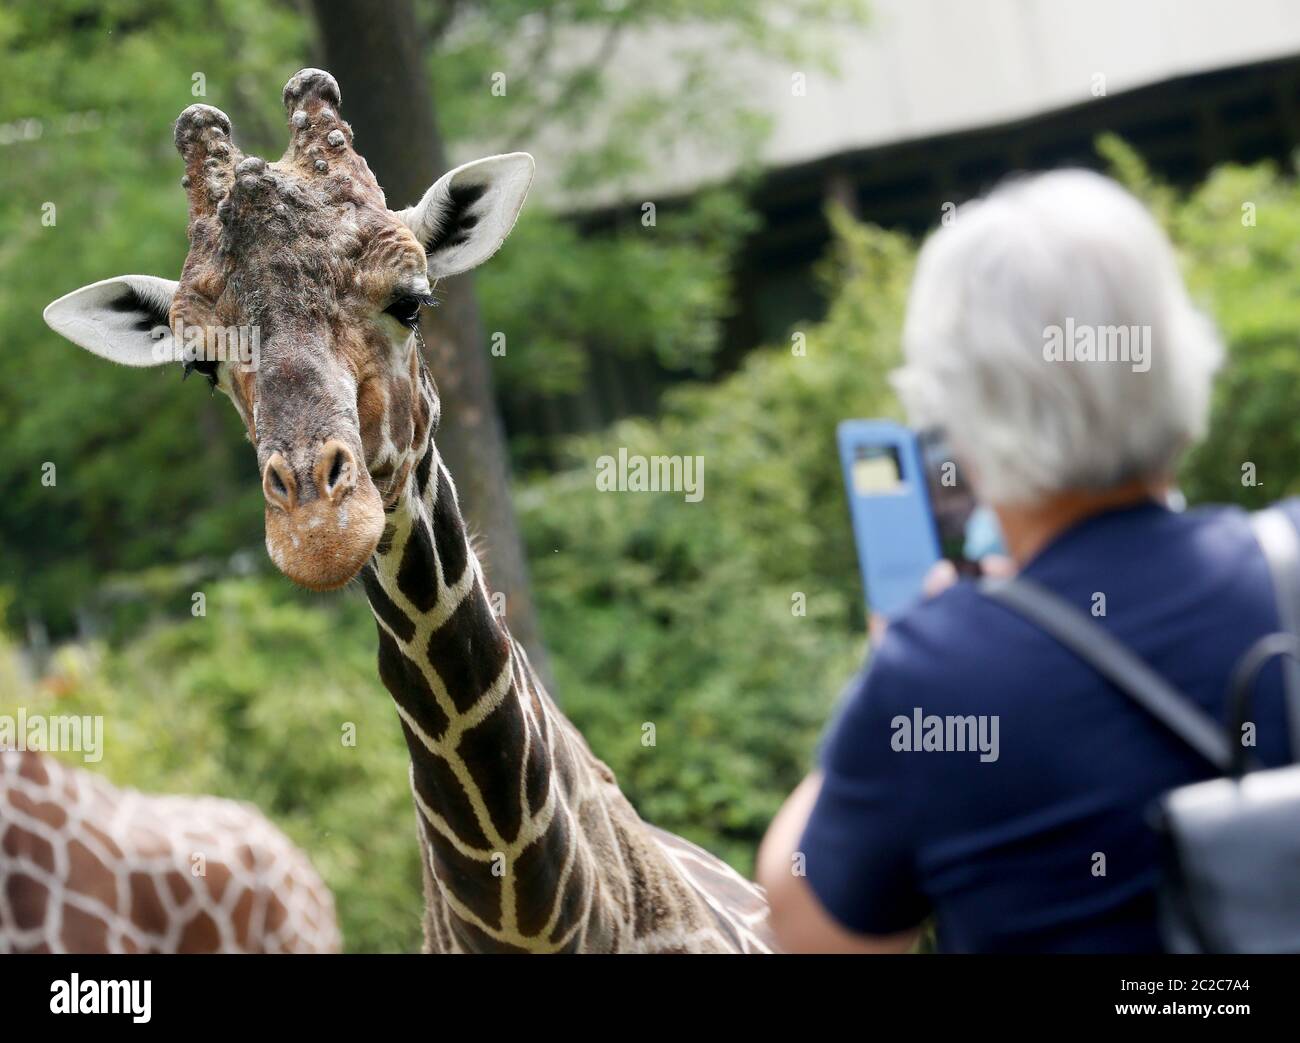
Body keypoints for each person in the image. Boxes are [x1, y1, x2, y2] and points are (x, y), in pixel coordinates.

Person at [756, 169, 1297, 953]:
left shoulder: (933, 679)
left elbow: (800, 929)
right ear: (1181, 355)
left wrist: (884, 670)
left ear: (956, 418)